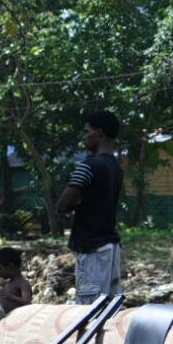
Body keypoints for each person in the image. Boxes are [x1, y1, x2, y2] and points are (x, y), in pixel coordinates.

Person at [56, 112, 124, 303]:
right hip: (111, 248)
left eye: (88, 131)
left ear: (99, 133)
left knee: (89, 310)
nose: (86, 136)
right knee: (111, 308)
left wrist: (79, 201)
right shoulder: (117, 168)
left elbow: (62, 205)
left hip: (92, 248)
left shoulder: (89, 166)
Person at [0, 247, 33, 313]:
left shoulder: (22, 282)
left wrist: (12, 297)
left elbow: (27, 301)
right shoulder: (7, 283)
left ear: (10, 266)